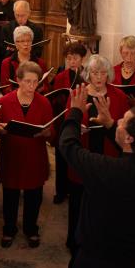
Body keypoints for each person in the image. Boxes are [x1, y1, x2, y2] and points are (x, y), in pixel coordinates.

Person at [60, 85, 135, 268]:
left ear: (129, 138)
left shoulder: (108, 170)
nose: (118, 120)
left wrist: (75, 112)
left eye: (122, 121)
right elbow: (132, 153)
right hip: (132, 261)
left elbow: (68, 146)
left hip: (97, 260)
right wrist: (110, 124)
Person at [64, 54, 129, 255]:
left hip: (108, 155)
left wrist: (111, 123)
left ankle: (101, 238)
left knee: (104, 202)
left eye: (102, 72)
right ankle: (74, 241)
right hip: (83, 152)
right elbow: (69, 120)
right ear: (88, 74)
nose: (99, 77)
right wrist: (78, 127)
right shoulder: (78, 93)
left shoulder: (118, 96)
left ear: (108, 74)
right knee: (77, 201)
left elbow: (124, 127)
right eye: (94, 72)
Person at [0, 61, 53, 248]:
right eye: (27, 81)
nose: (31, 86)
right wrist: (0, 130)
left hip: (35, 156)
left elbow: (52, 130)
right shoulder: (4, 101)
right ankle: (9, 228)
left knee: (34, 195)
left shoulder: (43, 102)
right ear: (18, 80)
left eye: (35, 82)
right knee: (10, 195)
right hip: (12, 155)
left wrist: (47, 132)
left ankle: (30, 228)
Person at [49, 41, 87, 204]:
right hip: (62, 119)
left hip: (80, 120)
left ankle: (74, 189)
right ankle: (61, 190)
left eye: (75, 58)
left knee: (76, 155)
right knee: (61, 155)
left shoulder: (87, 76)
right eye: (69, 58)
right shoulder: (60, 77)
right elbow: (53, 99)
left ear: (82, 58)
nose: (72, 61)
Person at [0, 26, 48, 92]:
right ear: (16, 44)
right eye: (22, 41)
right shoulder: (7, 63)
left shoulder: (40, 63)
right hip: (14, 99)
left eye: (28, 41)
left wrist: (41, 88)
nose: (26, 44)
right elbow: (4, 87)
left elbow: (46, 87)